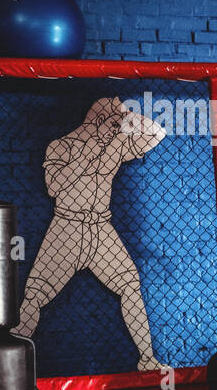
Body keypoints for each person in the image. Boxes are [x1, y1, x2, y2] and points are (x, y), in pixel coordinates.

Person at [14, 97, 168, 370]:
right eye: (112, 123)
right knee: (36, 293)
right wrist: (90, 151)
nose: (117, 129)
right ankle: (12, 365)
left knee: (130, 285)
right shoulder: (61, 146)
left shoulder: (116, 144)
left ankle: (147, 359)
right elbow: (55, 187)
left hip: (102, 228)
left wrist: (127, 115)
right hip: (67, 227)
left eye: (120, 124)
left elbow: (157, 133)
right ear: (97, 121)